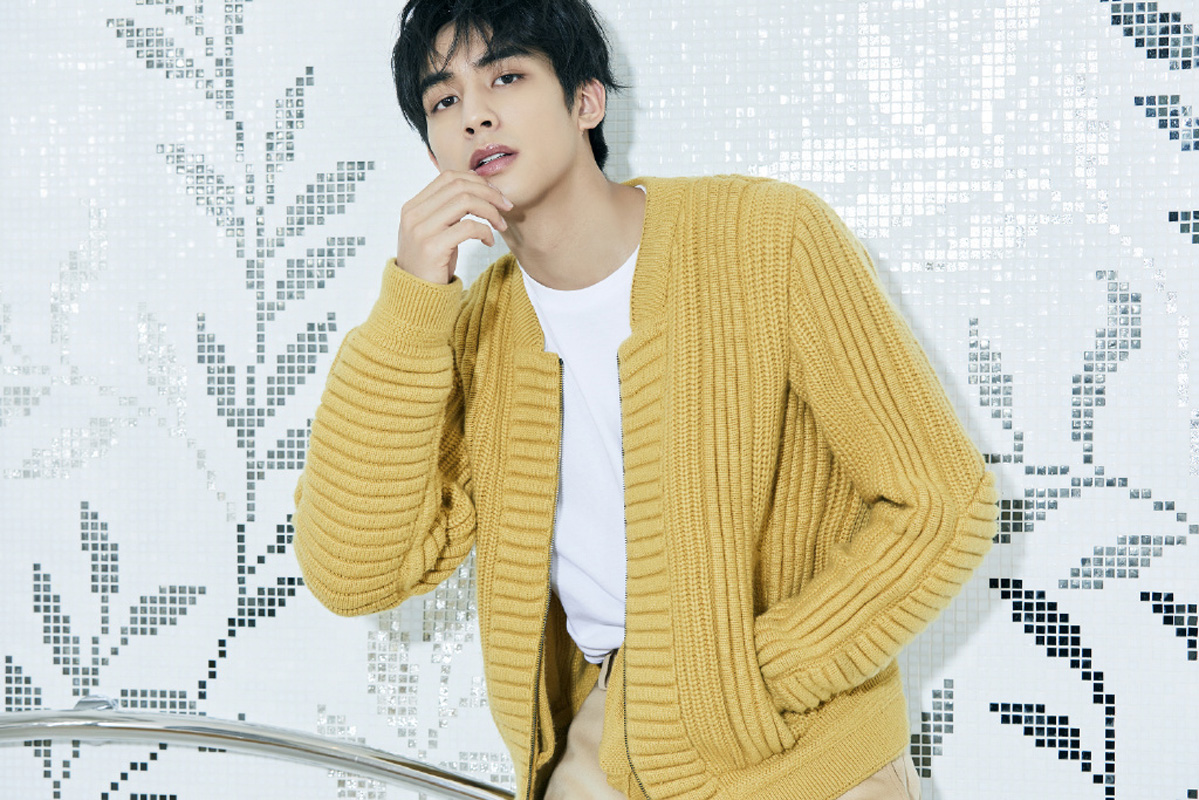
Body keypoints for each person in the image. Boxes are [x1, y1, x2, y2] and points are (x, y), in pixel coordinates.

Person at [292, 0, 1000, 797]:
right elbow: (353, 573)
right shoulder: (473, 329)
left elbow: (941, 502)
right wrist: (411, 303)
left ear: (586, 100)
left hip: (801, 753)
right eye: (443, 99)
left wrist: (753, 677)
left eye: (507, 77)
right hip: (606, 747)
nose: (474, 115)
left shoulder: (766, 238)